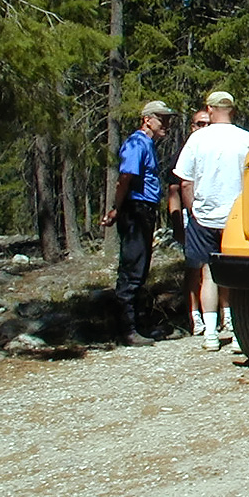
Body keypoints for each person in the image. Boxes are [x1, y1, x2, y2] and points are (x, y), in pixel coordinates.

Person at [174, 91, 249, 352]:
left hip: (205, 215)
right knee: (237, 276)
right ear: (232, 110)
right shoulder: (247, 140)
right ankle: (236, 332)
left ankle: (210, 333)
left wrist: (193, 211)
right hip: (236, 216)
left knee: (209, 273)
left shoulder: (198, 139)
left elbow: (185, 181)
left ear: (210, 109)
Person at [101, 99, 176, 347]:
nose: (166, 123)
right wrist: (116, 209)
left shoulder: (147, 144)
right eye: (161, 118)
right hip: (135, 209)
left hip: (144, 209)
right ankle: (126, 329)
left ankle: (138, 324)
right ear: (147, 120)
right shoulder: (136, 143)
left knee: (140, 268)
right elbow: (125, 178)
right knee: (132, 268)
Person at [167, 108, 210, 335]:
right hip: (190, 217)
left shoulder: (216, 150)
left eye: (207, 123)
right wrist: (177, 224)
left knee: (213, 268)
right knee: (194, 268)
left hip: (214, 215)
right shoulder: (184, 153)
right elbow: (174, 190)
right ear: (191, 127)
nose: (203, 128)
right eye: (198, 124)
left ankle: (221, 315)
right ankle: (194, 316)